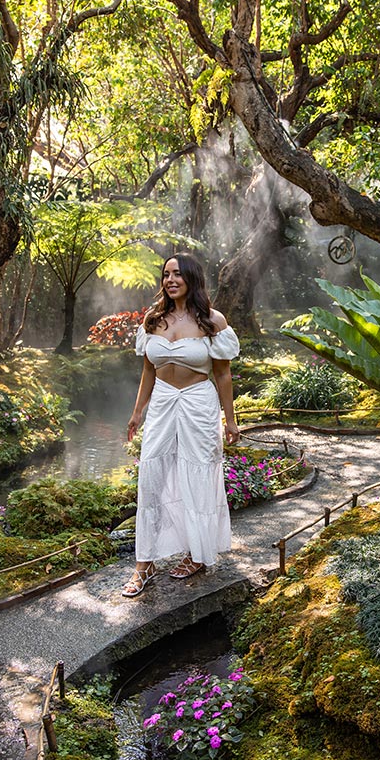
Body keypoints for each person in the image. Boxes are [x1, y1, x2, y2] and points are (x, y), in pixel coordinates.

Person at [122, 253, 240, 597]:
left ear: (191, 278)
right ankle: (144, 564)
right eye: (165, 274)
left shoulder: (211, 321)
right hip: (162, 401)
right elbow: (147, 370)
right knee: (152, 475)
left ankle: (196, 553)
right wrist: (137, 412)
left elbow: (223, 374)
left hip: (199, 403)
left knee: (198, 473)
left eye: (176, 274)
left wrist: (230, 420)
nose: (170, 279)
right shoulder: (153, 319)